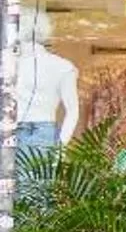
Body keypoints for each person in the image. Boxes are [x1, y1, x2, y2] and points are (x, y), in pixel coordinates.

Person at [13, 9, 81, 152]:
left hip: (40, 132)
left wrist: (61, 147)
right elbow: (73, 110)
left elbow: (73, 110)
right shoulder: (9, 63)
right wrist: (61, 147)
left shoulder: (63, 67)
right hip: (25, 130)